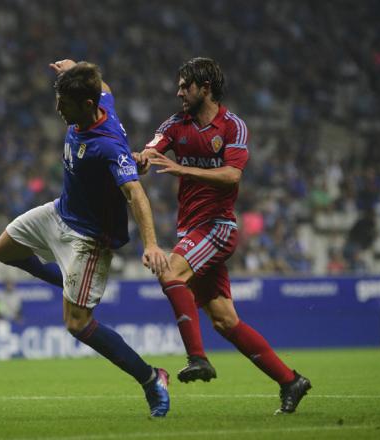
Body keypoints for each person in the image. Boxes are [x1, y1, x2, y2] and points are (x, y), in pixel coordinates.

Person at [0, 60, 172, 417]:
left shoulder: (108, 147)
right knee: (4, 250)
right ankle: (69, 282)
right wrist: (75, 69)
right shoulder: (100, 100)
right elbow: (106, 87)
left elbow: (135, 193)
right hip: (61, 212)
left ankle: (152, 378)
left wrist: (151, 243)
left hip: (88, 239)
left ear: (86, 106)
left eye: (64, 103)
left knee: (77, 324)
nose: (58, 109)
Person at [134, 57, 312, 414]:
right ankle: (290, 381)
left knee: (169, 270)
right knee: (225, 321)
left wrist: (181, 168)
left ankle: (197, 358)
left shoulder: (232, 127)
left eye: (186, 85)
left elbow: (232, 176)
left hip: (218, 227)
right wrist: (142, 158)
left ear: (206, 88)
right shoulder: (175, 124)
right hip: (192, 229)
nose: (179, 91)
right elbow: (152, 150)